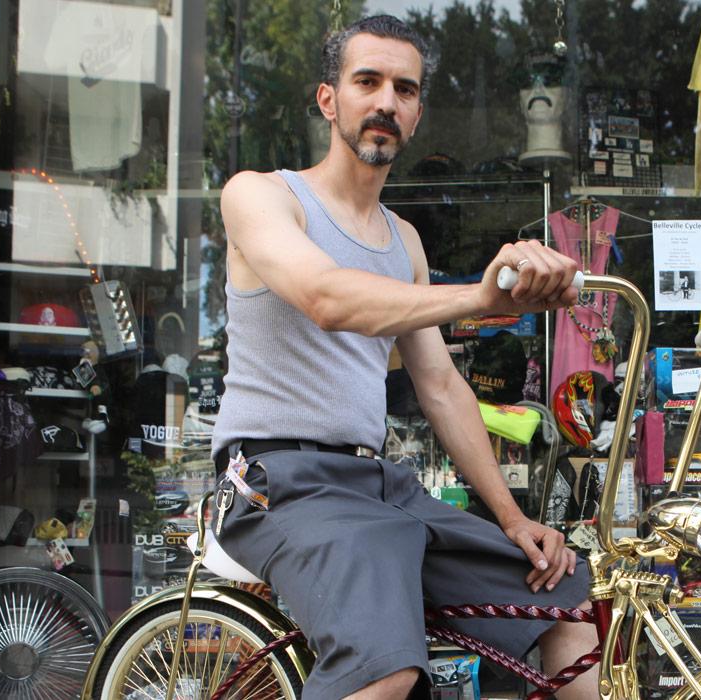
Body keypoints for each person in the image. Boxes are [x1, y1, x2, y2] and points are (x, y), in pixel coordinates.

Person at [212, 15, 598, 700]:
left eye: (404, 88)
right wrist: (477, 298)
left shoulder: (404, 241)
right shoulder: (262, 196)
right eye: (367, 81)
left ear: (417, 114)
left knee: (563, 596)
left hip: (376, 487)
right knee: (384, 669)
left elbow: (442, 387)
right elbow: (327, 297)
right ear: (329, 99)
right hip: (277, 483)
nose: (386, 100)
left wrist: (513, 520)